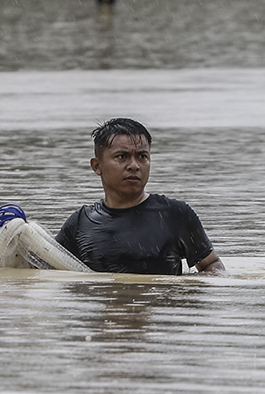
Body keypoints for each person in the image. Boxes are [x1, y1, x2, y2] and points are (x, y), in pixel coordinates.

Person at [55, 118, 227, 276]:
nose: (134, 166)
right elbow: (45, 268)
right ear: (97, 166)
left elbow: (211, 265)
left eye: (142, 156)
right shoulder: (80, 224)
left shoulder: (175, 215)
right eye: (122, 157)